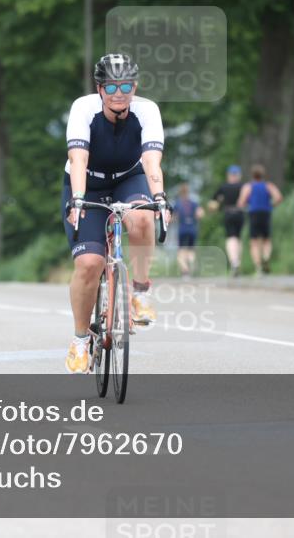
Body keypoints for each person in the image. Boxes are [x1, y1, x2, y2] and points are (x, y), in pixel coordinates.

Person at [62, 53, 170, 374]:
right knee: (89, 263)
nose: (119, 92)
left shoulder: (147, 110)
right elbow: (78, 159)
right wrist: (78, 199)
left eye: (126, 85)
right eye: (112, 87)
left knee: (141, 216)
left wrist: (160, 198)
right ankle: (81, 340)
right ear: (100, 89)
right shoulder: (84, 108)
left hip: (129, 178)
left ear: (135, 86)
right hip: (88, 184)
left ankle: (139, 290)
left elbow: (151, 162)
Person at [236, 164, 283, 275]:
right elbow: (279, 197)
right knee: (267, 240)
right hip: (266, 213)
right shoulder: (268, 186)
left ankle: (258, 267)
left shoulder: (248, 187)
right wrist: (272, 204)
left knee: (254, 242)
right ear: (263, 175)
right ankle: (266, 257)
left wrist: (246, 205)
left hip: (253, 213)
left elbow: (240, 202)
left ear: (252, 175)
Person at [208, 165, 245, 276]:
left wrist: (216, 206)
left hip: (228, 213)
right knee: (238, 238)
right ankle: (238, 261)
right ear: (238, 175)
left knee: (230, 238)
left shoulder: (223, 187)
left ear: (229, 175)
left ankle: (234, 262)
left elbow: (212, 203)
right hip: (240, 213)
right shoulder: (242, 186)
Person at [173, 184, 204, 279]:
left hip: (182, 229)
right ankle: (191, 264)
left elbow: (174, 217)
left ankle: (185, 271)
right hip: (192, 228)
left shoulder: (177, 204)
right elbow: (200, 214)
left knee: (181, 250)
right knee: (191, 249)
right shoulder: (194, 203)